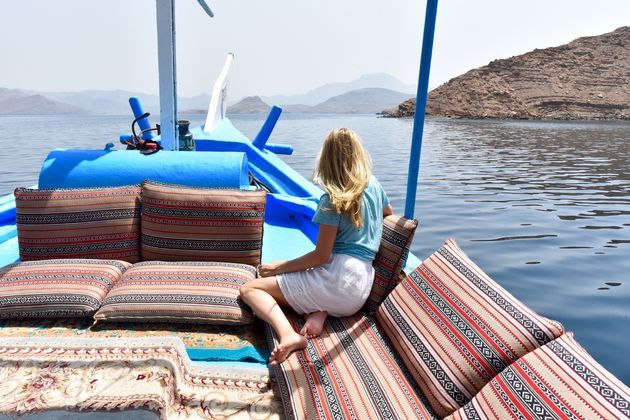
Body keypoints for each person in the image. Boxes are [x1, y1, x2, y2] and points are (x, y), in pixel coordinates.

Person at [239, 128, 393, 365]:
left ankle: (288, 335)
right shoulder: (374, 185)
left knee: (251, 289)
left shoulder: (333, 200)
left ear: (327, 159)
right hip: (360, 288)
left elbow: (320, 256)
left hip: (339, 280)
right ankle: (319, 312)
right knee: (306, 277)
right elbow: (388, 215)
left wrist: (280, 267)